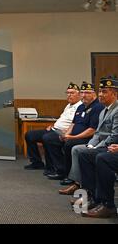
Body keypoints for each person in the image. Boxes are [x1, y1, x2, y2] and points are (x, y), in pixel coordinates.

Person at [43, 81, 104, 187]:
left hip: (88, 138)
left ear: (94, 94)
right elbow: (73, 123)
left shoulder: (97, 107)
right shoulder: (81, 107)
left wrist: (72, 137)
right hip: (74, 136)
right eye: (82, 92)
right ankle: (59, 170)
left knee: (70, 144)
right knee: (52, 139)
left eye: (87, 93)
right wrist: (66, 134)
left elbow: (92, 130)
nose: (84, 95)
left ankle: (70, 176)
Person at [74, 77, 118, 218]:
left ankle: (107, 204)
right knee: (84, 154)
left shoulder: (116, 110)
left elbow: (114, 136)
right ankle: (92, 196)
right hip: (106, 145)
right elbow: (98, 133)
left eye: (104, 92)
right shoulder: (104, 110)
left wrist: (96, 148)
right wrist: (92, 146)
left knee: (102, 158)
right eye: (100, 91)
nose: (100, 95)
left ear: (115, 94)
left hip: (111, 145)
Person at [24, 82, 82, 175]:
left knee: (47, 138)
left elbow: (74, 123)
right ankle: (37, 162)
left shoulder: (80, 106)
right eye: (67, 93)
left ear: (79, 94)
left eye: (72, 93)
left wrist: (66, 133)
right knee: (30, 135)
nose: (69, 95)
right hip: (54, 129)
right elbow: (63, 120)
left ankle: (53, 168)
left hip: (64, 133)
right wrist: (53, 125)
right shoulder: (68, 105)